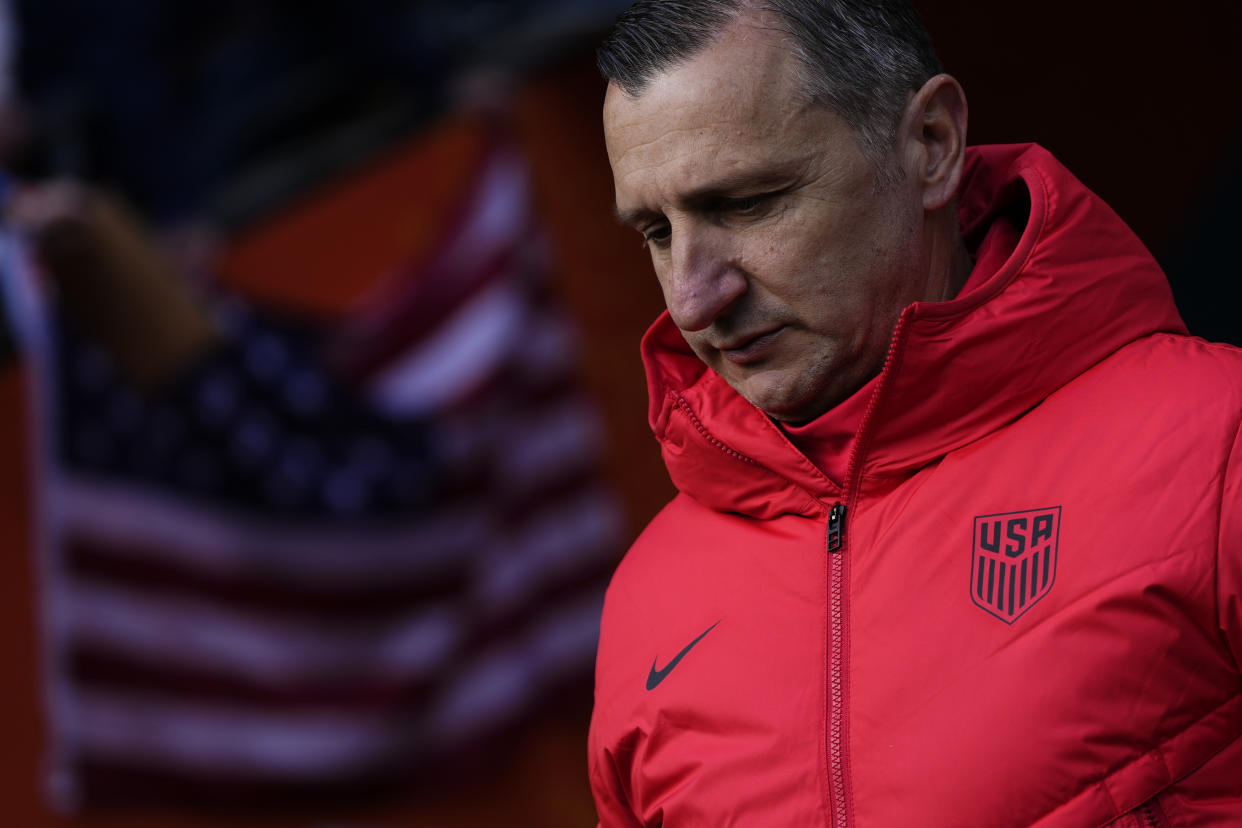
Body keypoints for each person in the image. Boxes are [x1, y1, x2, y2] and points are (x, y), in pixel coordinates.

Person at [588, 1, 1242, 825]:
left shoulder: (1217, 440)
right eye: (655, 230)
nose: (692, 297)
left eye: (748, 202)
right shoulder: (648, 601)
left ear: (931, 144)